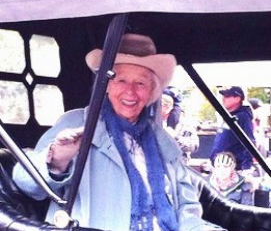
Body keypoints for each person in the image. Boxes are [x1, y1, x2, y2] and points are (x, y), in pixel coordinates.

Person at [13, 33, 226, 231]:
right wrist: (57, 159)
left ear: (152, 91)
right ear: (106, 85)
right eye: (121, 80)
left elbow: (187, 204)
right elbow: (27, 185)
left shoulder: (162, 138)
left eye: (140, 83)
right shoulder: (77, 123)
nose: (130, 92)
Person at [211, 86, 255, 172]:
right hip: (221, 167)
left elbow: (249, 141)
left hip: (233, 169)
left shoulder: (242, 117)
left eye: (227, 96)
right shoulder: (229, 116)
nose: (223, 98)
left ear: (237, 99)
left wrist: (246, 166)